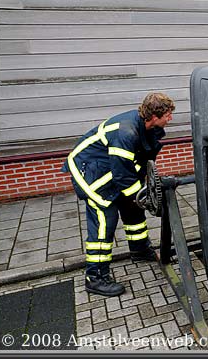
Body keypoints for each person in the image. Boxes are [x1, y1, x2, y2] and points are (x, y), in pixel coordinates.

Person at [61, 92, 175, 296]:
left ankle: (140, 250)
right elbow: (123, 174)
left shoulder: (147, 127)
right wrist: (145, 198)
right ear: (155, 116)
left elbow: (141, 161)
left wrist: (141, 195)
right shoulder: (126, 133)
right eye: (168, 115)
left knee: (133, 210)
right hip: (90, 174)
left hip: (111, 170)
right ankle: (95, 278)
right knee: (106, 221)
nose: (171, 118)